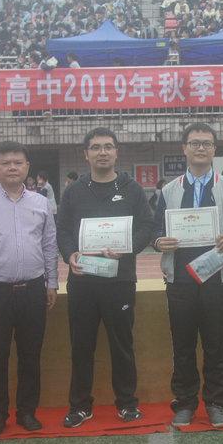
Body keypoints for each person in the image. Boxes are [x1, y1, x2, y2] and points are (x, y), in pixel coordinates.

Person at [152, 123, 223, 428]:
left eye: (206, 143)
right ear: (184, 149)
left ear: (215, 149)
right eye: (194, 143)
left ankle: (217, 403)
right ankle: (185, 403)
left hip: (216, 277)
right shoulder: (169, 190)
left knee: (215, 345)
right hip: (179, 278)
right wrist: (159, 241)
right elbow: (156, 230)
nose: (201, 148)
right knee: (182, 346)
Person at [57, 127, 153, 428]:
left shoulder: (132, 189)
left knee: (122, 344)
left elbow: (146, 227)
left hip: (119, 281)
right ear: (86, 154)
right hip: (82, 281)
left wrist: (128, 248)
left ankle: (127, 403)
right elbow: (62, 230)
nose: (102, 152)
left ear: (116, 152)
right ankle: (80, 405)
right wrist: (69, 254)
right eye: (96, 147)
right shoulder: (74, 191)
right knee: (81, 346)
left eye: (108, 147)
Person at [0, 141, 59, 436]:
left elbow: (49, 245)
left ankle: (27, 411)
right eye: (5, 163)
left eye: (18, 162)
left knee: (30, 355)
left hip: (33, 289)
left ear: (27, 167)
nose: (12, 168)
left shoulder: (41, 203)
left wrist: (53, 282)